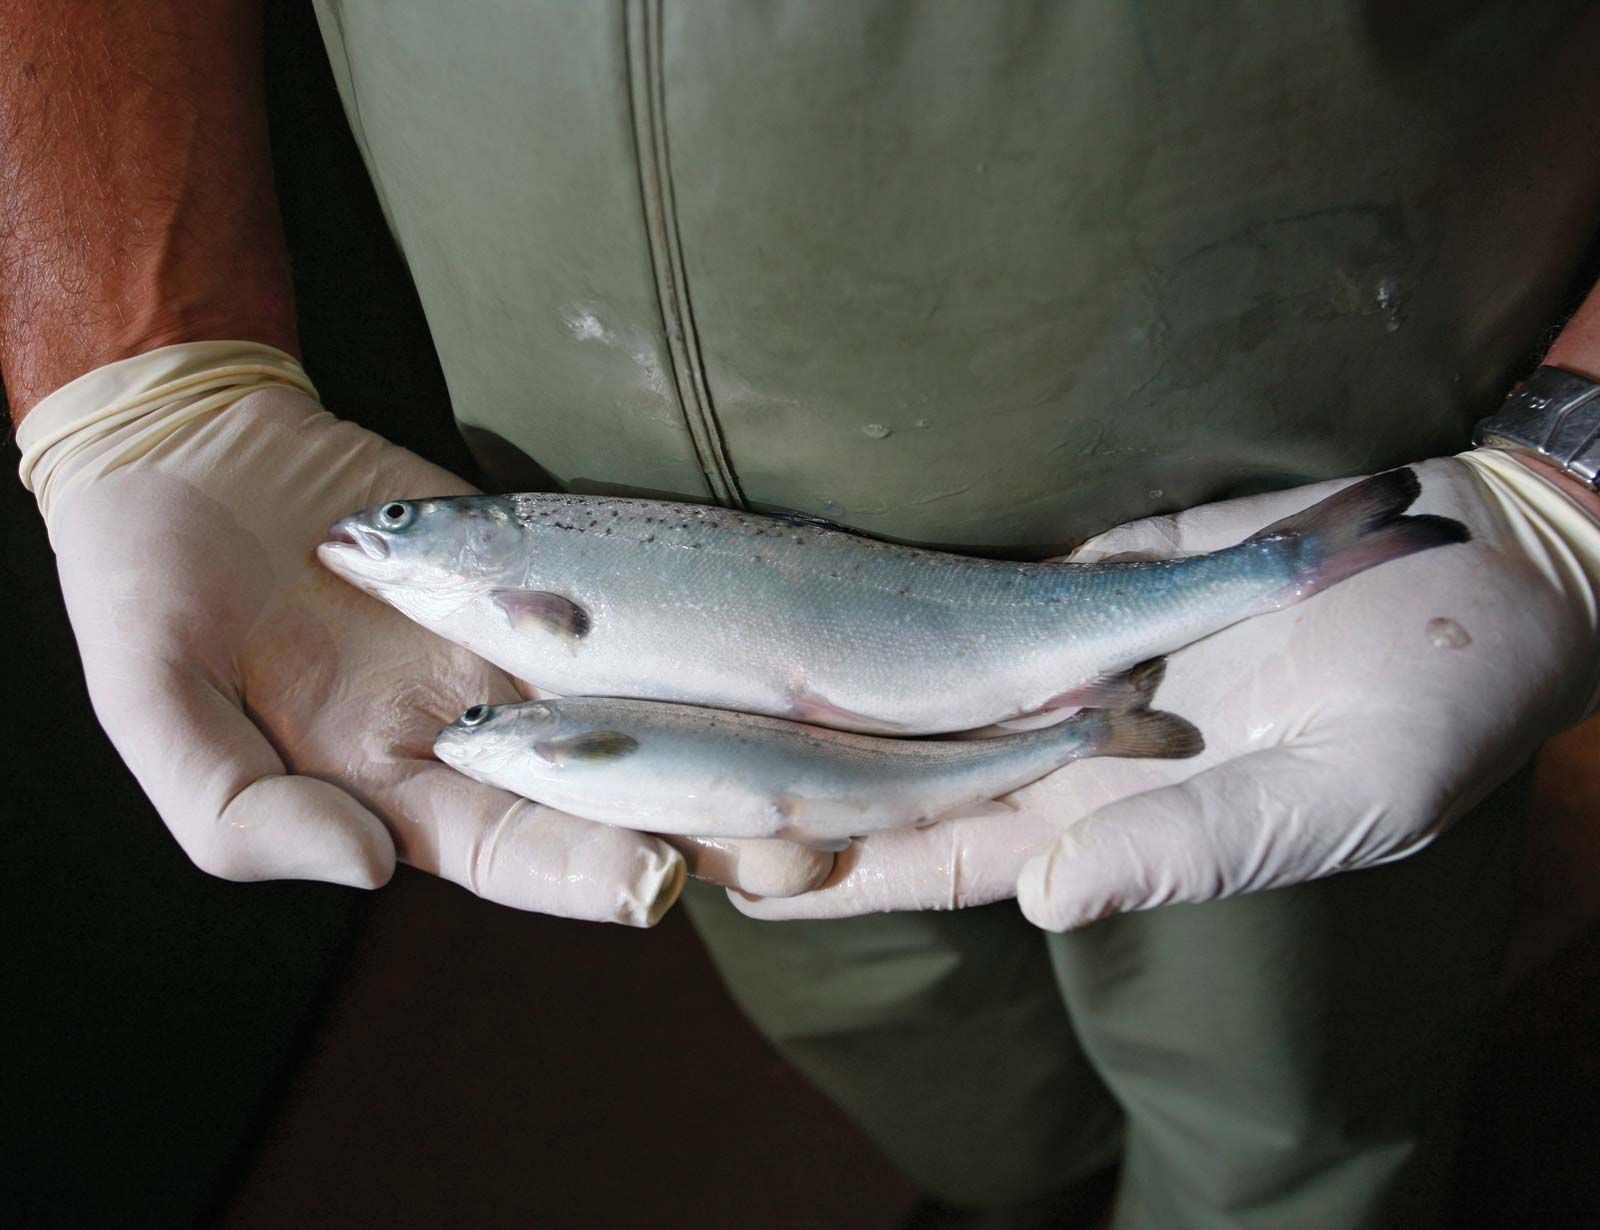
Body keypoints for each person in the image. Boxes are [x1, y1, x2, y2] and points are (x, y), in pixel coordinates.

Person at [5, 4, 1599, 1226]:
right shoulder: (511, 598)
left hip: (1278, 410)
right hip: (576, 424)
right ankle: (1022, 1190)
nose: (384, 541)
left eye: (407, 537)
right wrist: (142, 360)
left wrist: (1576, 467)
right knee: (886, 1012)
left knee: (1294, 1071)